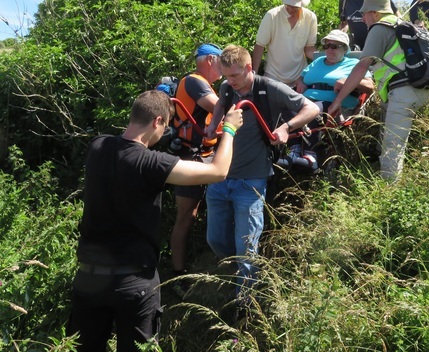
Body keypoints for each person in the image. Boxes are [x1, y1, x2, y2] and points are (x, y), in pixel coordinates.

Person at [68, 90, 243, 352]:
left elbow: (124, 143)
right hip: (133, 283)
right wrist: (228, 128)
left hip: (88, 279)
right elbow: (217, 171)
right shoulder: (151, 164)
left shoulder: (97, 147)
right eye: (166, 126)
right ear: (157, 122)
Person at [205, 45, 319, 297]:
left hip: (251, 182)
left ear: (249, 68)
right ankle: (238, 273)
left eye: (234, 75)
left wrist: (287, 127)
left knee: (246, 249)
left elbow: (312, 108)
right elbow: (220, 105)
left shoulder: (269, 88)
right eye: (225, 75)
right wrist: (214, 124)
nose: (229, 81)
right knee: (215, 240)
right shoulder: (226, 88)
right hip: (219, 178)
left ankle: (245, 304)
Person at [328, 0, 429, 181]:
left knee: (393, 146)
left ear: (375, 13)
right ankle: (377, 167)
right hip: (420, 88)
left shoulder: (379, 28)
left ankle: (389, 196)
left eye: (364, 13)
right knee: (388, 135)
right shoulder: (401, 23)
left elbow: (362, 66)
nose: (362, 18)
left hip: (404, 93)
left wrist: (338, 100)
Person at [277, 29, 374, 170]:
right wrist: (301, 82)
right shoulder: (317, 62)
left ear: (345, 48)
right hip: (308, 98)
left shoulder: (354, 64)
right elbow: (302, 76)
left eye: (334, 46)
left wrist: (349, 81)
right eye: (327, 46)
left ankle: (311, 155)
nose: (329, 49)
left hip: (335, 104)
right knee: (285, 106)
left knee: (313, 110)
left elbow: (370, 86)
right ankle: (295, 150)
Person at [169, 43, 222, 279]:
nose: (224, 68)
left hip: (205, 155)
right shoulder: (194, 81)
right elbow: (218, 107)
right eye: (222, 62)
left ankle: (207, 260)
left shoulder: (204, 83)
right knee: (185, 217)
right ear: (210, 59)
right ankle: (178, 272)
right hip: (193, 157)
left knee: (195, 213)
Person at [252, 0, 318, 86]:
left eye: (295, 6)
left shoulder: (311, 18)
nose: (291, 9)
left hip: (300, 77)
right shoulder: (272, 16)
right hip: (273, 75)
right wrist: (253, 74)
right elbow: (260, 45)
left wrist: (325, 59)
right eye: (288, 5)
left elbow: (309, 48)